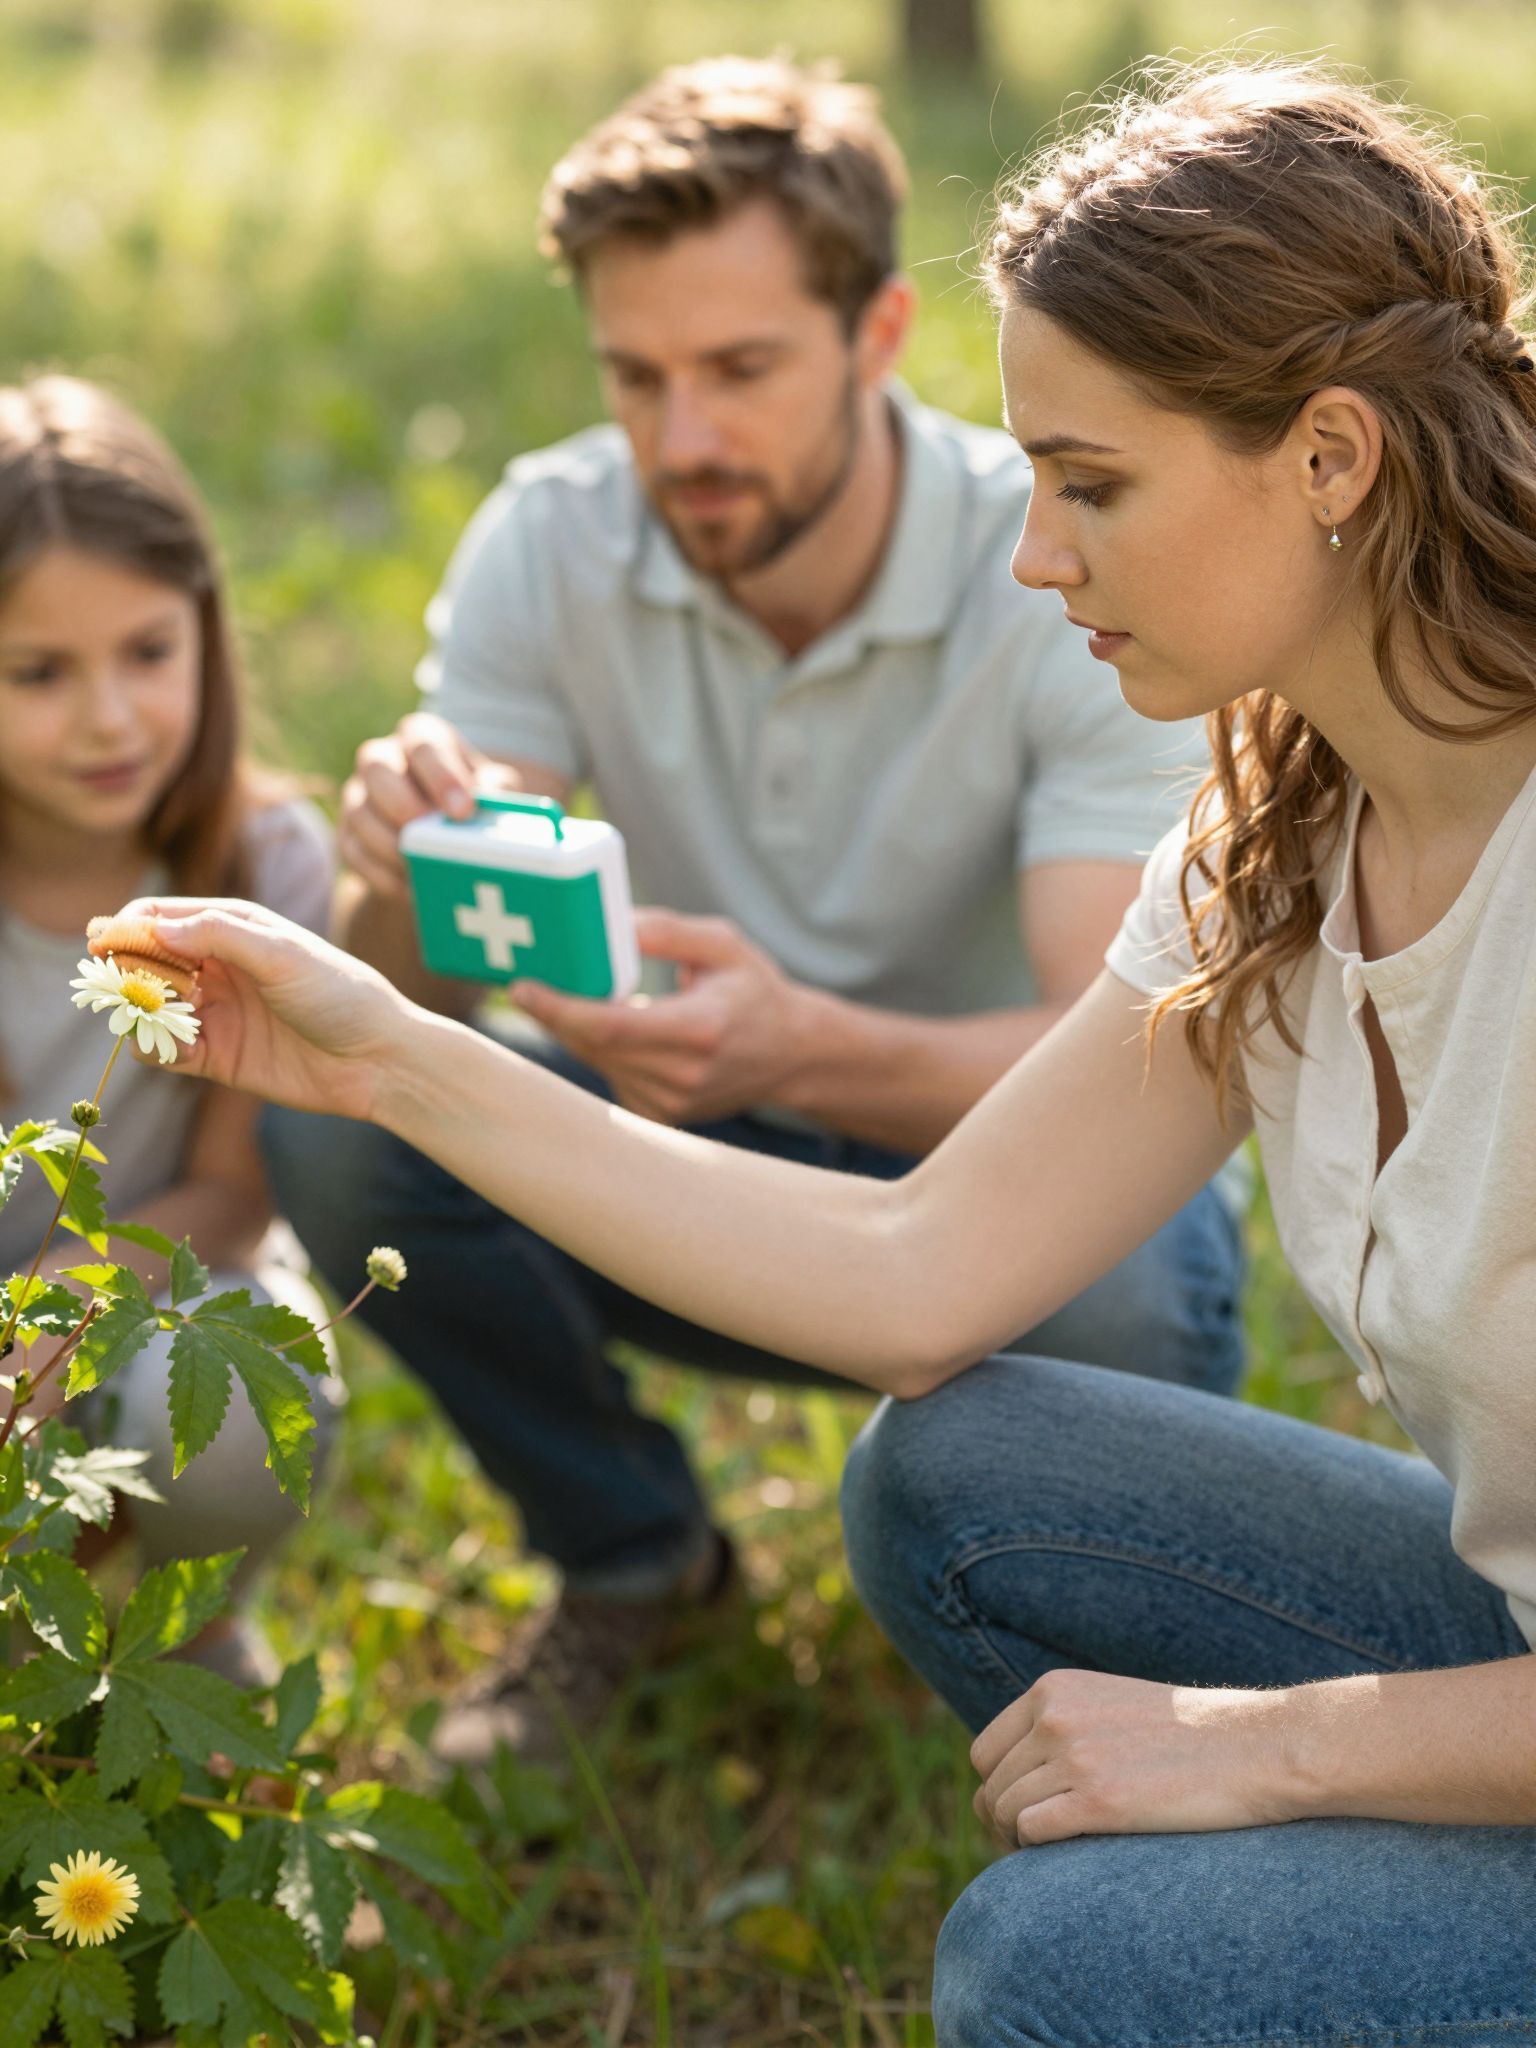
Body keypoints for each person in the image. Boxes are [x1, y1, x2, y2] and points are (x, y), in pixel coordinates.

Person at [133, 51, 1536, 2041]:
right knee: (959, 1469)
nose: (1042, 553)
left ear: (1329, 455)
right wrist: (380, 1056)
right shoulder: (1286, 825)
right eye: (1036, 479)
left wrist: (1266, 1750)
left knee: (1046, 1971)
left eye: (1097, 484)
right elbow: (910, 1280)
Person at [259, 55, 1245, 1762]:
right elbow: (406, 989)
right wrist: (392, 859)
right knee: (342, 1134)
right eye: (636, 377)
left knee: (1136, 1288)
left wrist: (795, 1044)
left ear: (874, 338)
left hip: (1008, 1181)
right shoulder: (551, 540)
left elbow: (1128, 1056)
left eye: (740, 370)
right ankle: (637, 1563)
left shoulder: (1064, 562)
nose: (683, 439)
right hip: (684, 1168)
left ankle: (1097, 1668)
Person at [0, 377, 338, 1687]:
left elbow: (237, 1191)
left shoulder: (263, 865)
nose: (110, 717)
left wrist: (55, 1323)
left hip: (169, 1285)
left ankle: (187, 1647)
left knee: (241, 1413)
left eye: (148, 652)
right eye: (37, 673)